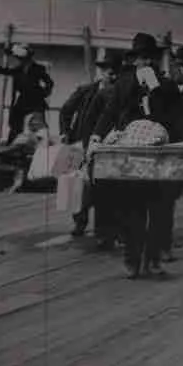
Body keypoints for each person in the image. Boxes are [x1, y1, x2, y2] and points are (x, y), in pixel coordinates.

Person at [89, 32, 183, 278]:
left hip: (160, 152)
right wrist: (96, 137)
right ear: (133, 61)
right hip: (131, 153)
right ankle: (132, 258)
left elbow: (180, 114)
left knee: (160, 210)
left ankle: (154, 258)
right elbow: (110, 113)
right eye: (141, 59)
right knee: (131, 209)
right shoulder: (124, 84)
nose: (146, 63)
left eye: (150, 59)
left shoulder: (166, 85)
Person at [59, 51, 122, 247]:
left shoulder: (120, 94)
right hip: (80, 141)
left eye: (115, 73)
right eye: (108, 72)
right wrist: (65, 132)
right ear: (101, 72)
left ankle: (105, 229)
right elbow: (66, 110)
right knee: (75, 185)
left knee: (100, 186)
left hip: (105, 144)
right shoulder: (86, 90)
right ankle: (79, 221)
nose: (112, 76)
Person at [0, 43, 54, 145]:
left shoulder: (38, 68)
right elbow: (4, 71)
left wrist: (45, 93)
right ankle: (11, 143)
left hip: (36, 100)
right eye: (20, 59)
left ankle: (44, 145)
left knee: (40, 124)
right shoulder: (18, 69)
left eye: (22, 59)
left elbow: (49, 82)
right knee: (15, 122)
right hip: (24, 99)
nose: (20, 61)